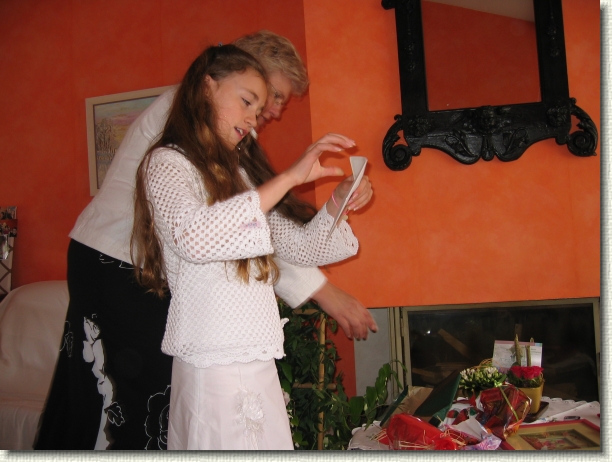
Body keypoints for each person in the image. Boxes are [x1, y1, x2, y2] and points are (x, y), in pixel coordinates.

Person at [35, 30, 374, 451]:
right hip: (117, 264)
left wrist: (339, 201)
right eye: (264, 97)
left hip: (209, 316)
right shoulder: (175, 146)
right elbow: (206, 232)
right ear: (220, 79)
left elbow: (263, 229)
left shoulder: (232, 156)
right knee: (125, 403)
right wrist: (324, 289)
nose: (268, 112)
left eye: (268, 103)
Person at [132, 43, 368, 450]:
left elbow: (299, 248)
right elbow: (194, 237)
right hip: (213, 361)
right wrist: (289, 178)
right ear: (207, 87)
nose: (253, 119)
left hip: (255, 359)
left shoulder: (237, 175)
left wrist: (338, 201)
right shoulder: (167, 163)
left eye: (257, 110)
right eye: (246, 102)